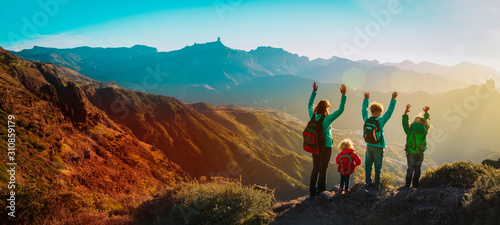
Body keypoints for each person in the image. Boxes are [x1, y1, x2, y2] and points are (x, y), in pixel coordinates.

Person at [308, 82, 347, 197]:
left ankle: (312, 192)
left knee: (315, 168)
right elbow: (341, 110)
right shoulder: (327, 119)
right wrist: (343, 95)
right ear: (326, 109)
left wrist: (314, 92)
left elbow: (309, 105)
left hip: (314, 146)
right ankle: (321, 192)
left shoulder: (313, 117)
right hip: (326, 147)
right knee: (323, 169)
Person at [362, 92, 397, 189]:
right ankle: (377, 184)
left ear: (372, 111)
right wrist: (393, 99)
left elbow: (364, 111)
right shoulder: (380, 121)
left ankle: (368, 182)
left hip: (369, 145)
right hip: (378, 146)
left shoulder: (367, 120)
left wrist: (366, 100)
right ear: (379, 111)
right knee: (378, 167)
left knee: (368, 165)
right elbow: (389, 112)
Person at [403, 104, 430, 188]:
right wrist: (426, 113)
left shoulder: (410, 131)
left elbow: (405, 124)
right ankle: (415, 185)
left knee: (410, 169)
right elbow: (427, 123)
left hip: (411, 152)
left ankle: (407, 185)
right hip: (420, 152)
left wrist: (405, 114)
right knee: (418, 169)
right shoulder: (424, 131)